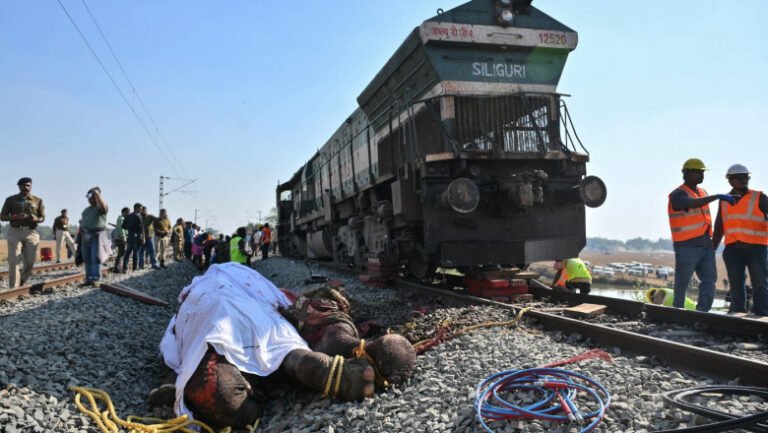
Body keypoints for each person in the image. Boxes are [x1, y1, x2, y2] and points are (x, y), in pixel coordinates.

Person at [155, 263, 376, 428]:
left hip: (209, 308)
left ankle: (248, 382)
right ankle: (305, 359)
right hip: (249, 307)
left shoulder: (200, 285)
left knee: (208, 340)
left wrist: (173, 376)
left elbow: (172, 343)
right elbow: (282, 301)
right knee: (279, 341)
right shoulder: (247, 278)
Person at [668, 158, 736, 312]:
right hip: (687, 245)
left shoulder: (702, 192)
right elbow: (690, 203)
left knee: (709, 281)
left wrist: (712, 243)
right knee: (682, 282)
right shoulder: (678, 194)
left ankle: (702, 312)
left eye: (702, 172)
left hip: (706, 245)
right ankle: (677, 312)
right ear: (687, 173)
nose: (702, 175)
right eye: (698, 172)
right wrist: (717, 196)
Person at [712, 164, 768, 316]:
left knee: (760, 283)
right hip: (732, 249)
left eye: (746, 177)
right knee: (736, 284)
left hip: (757, 248)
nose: (744, 180)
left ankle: (762, 313)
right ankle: (737, 312)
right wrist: (713, 247)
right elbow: (719, 226)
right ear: (730, 180)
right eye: (740, 178)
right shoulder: (724, 200)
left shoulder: (759, 197)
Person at [0, 177, 45, 288]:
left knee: (30, 261)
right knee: (14, 260)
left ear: (31, 186)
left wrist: (36, 219)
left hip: (31, 232)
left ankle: (22, 280)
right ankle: (14, 288)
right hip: (15, 232)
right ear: (19, 186)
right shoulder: (11, 200)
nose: (26, 187)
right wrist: (15, 217)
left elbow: (42, 217)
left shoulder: (37, 200)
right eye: (23, 185)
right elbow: (2, 216)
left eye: (28, 185)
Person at [79, 187, 109, 286]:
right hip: (85, 236)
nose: (92, 199)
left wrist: (97, 194)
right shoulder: (86, 210)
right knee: (87, 259)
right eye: (90, 197)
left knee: (95, 258)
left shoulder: (100, 208)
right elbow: (83, 223)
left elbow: (104, 207)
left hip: (97, 236)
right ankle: (89, 278)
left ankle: (95, 279)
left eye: (94, 197)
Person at [121, 203, 145, 272]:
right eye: (140, 209)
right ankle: (134, 269)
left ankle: (125, 268)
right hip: (137, 237)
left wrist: (130, 228)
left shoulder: (128, 216)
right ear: (136, 208)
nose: (141, 210)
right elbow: (141, 228)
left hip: (130, 236)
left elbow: (124, 226)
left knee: (127, 253)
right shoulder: (139, 216)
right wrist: (143, 238)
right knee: (135, 254)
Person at [110, 207, 129, 273]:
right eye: (128, 212)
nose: (128, 214)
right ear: (124, 212)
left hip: (120, 238)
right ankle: (117, 268)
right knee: (121, 253)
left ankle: (117, 267)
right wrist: (124, 238)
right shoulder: (121, 219)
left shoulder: (121, 219)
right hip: (121, 238)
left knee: (121, 253)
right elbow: (121, 229)